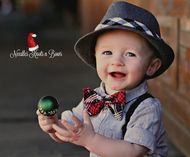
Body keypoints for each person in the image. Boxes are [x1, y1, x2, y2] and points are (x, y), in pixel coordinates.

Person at [37, 1, 174, 157]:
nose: (117, 61)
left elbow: (133, 151)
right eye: (107, 52)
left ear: (152, 66)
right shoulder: (94, 98)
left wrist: (90, 139)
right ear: (95, 57)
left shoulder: (147, 107)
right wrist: (53, 125)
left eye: (130, 54)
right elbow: (72, 131)